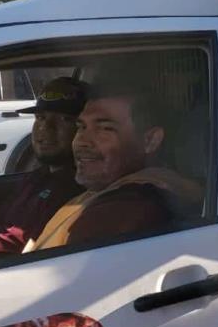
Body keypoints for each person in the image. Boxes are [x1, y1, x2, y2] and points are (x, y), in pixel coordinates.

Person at [24, 81, 202, 252]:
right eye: (82, 127)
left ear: (150, 140)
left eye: (105, 129)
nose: (81, 141)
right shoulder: (104, 192)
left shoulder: (124, 210)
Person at [0, 77, 88, 261]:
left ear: (84, 128)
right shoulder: (38, 177)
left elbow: (28, 254)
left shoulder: (76, 190)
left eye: (64, 119)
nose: (45, 128)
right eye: (40, 117)